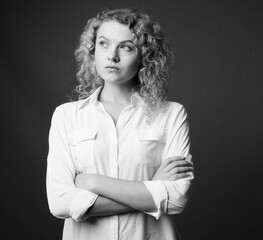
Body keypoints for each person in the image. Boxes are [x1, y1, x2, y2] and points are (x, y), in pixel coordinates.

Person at [46, 8, 194, 240]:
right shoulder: (66, 116)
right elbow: (60, 203)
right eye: (104, 44)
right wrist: (152, 187)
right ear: (92, 50)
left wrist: (93, 182)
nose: (112, 56)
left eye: (126, 47)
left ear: (145, 55)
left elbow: (176, 199)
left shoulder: (172, 114)